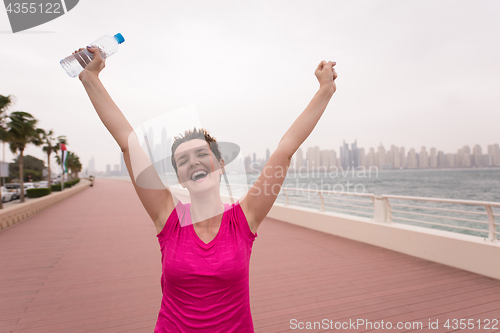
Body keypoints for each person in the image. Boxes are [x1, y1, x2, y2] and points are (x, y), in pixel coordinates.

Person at [75, 45, 337, 332]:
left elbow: (285, 151)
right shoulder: (168, 217)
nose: (194, 162)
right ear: (179, 176)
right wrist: (90, 78)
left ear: (220, 164)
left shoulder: (244, 218)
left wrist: (325, 89)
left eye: (202, 154)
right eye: (183, 160)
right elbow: (128, 143)